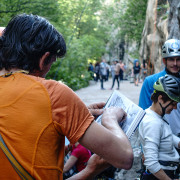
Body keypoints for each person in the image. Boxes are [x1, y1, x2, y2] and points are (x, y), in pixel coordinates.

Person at [0, 14, 133, 179]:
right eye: (52, 61)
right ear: (44, 59)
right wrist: (110, 119)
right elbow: (125, 158)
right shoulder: (54, 94)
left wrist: (75, 116)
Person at [139, 75, 180, 180]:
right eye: (173, 104)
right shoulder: (152, 123)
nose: (175, 108)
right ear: (161, 99)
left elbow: (166, 136)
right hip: (160, 175)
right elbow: (151, 163)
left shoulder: (157, 116)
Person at [139, 39, 180, 137]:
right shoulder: (150, 81)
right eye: (171, 59)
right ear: (164, 60)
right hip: (161, 138)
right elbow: (142, 113)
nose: (175, 63)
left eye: (178, 59)